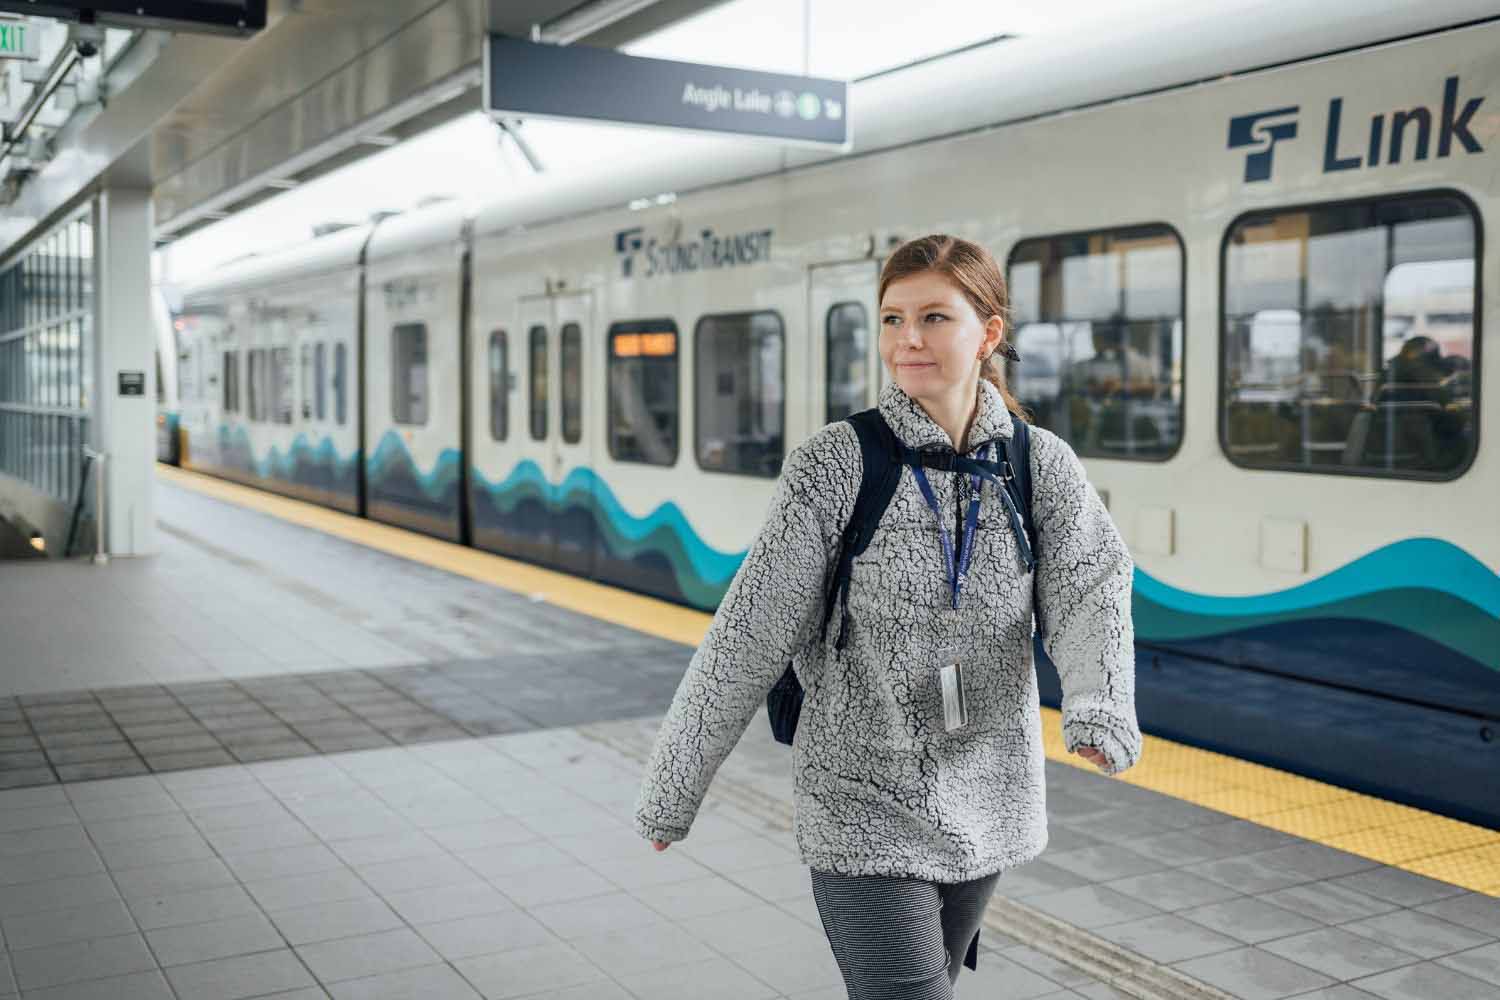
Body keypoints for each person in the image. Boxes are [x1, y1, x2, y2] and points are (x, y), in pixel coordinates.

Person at [633, 234, 1141, 1000]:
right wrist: (676, 786)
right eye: (892, 318)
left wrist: (1100, 702)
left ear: (989, 333)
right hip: (859, 797)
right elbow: (748, 634)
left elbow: (1090, 589)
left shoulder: (1039, 466)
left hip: (988, 793)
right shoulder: (835, 464)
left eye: (935, 317)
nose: (908, 340)